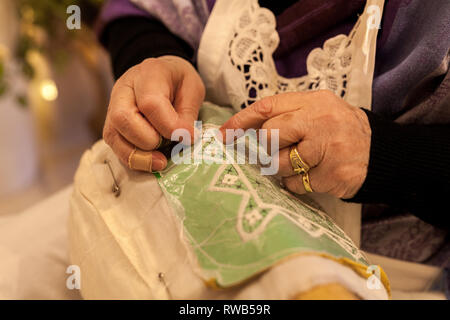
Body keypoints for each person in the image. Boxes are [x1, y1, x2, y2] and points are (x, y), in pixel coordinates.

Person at [97, 0, 450, 293]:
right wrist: (155, 60)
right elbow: (135, 11)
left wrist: (380, 154)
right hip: (169, 203)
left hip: (377, 269)